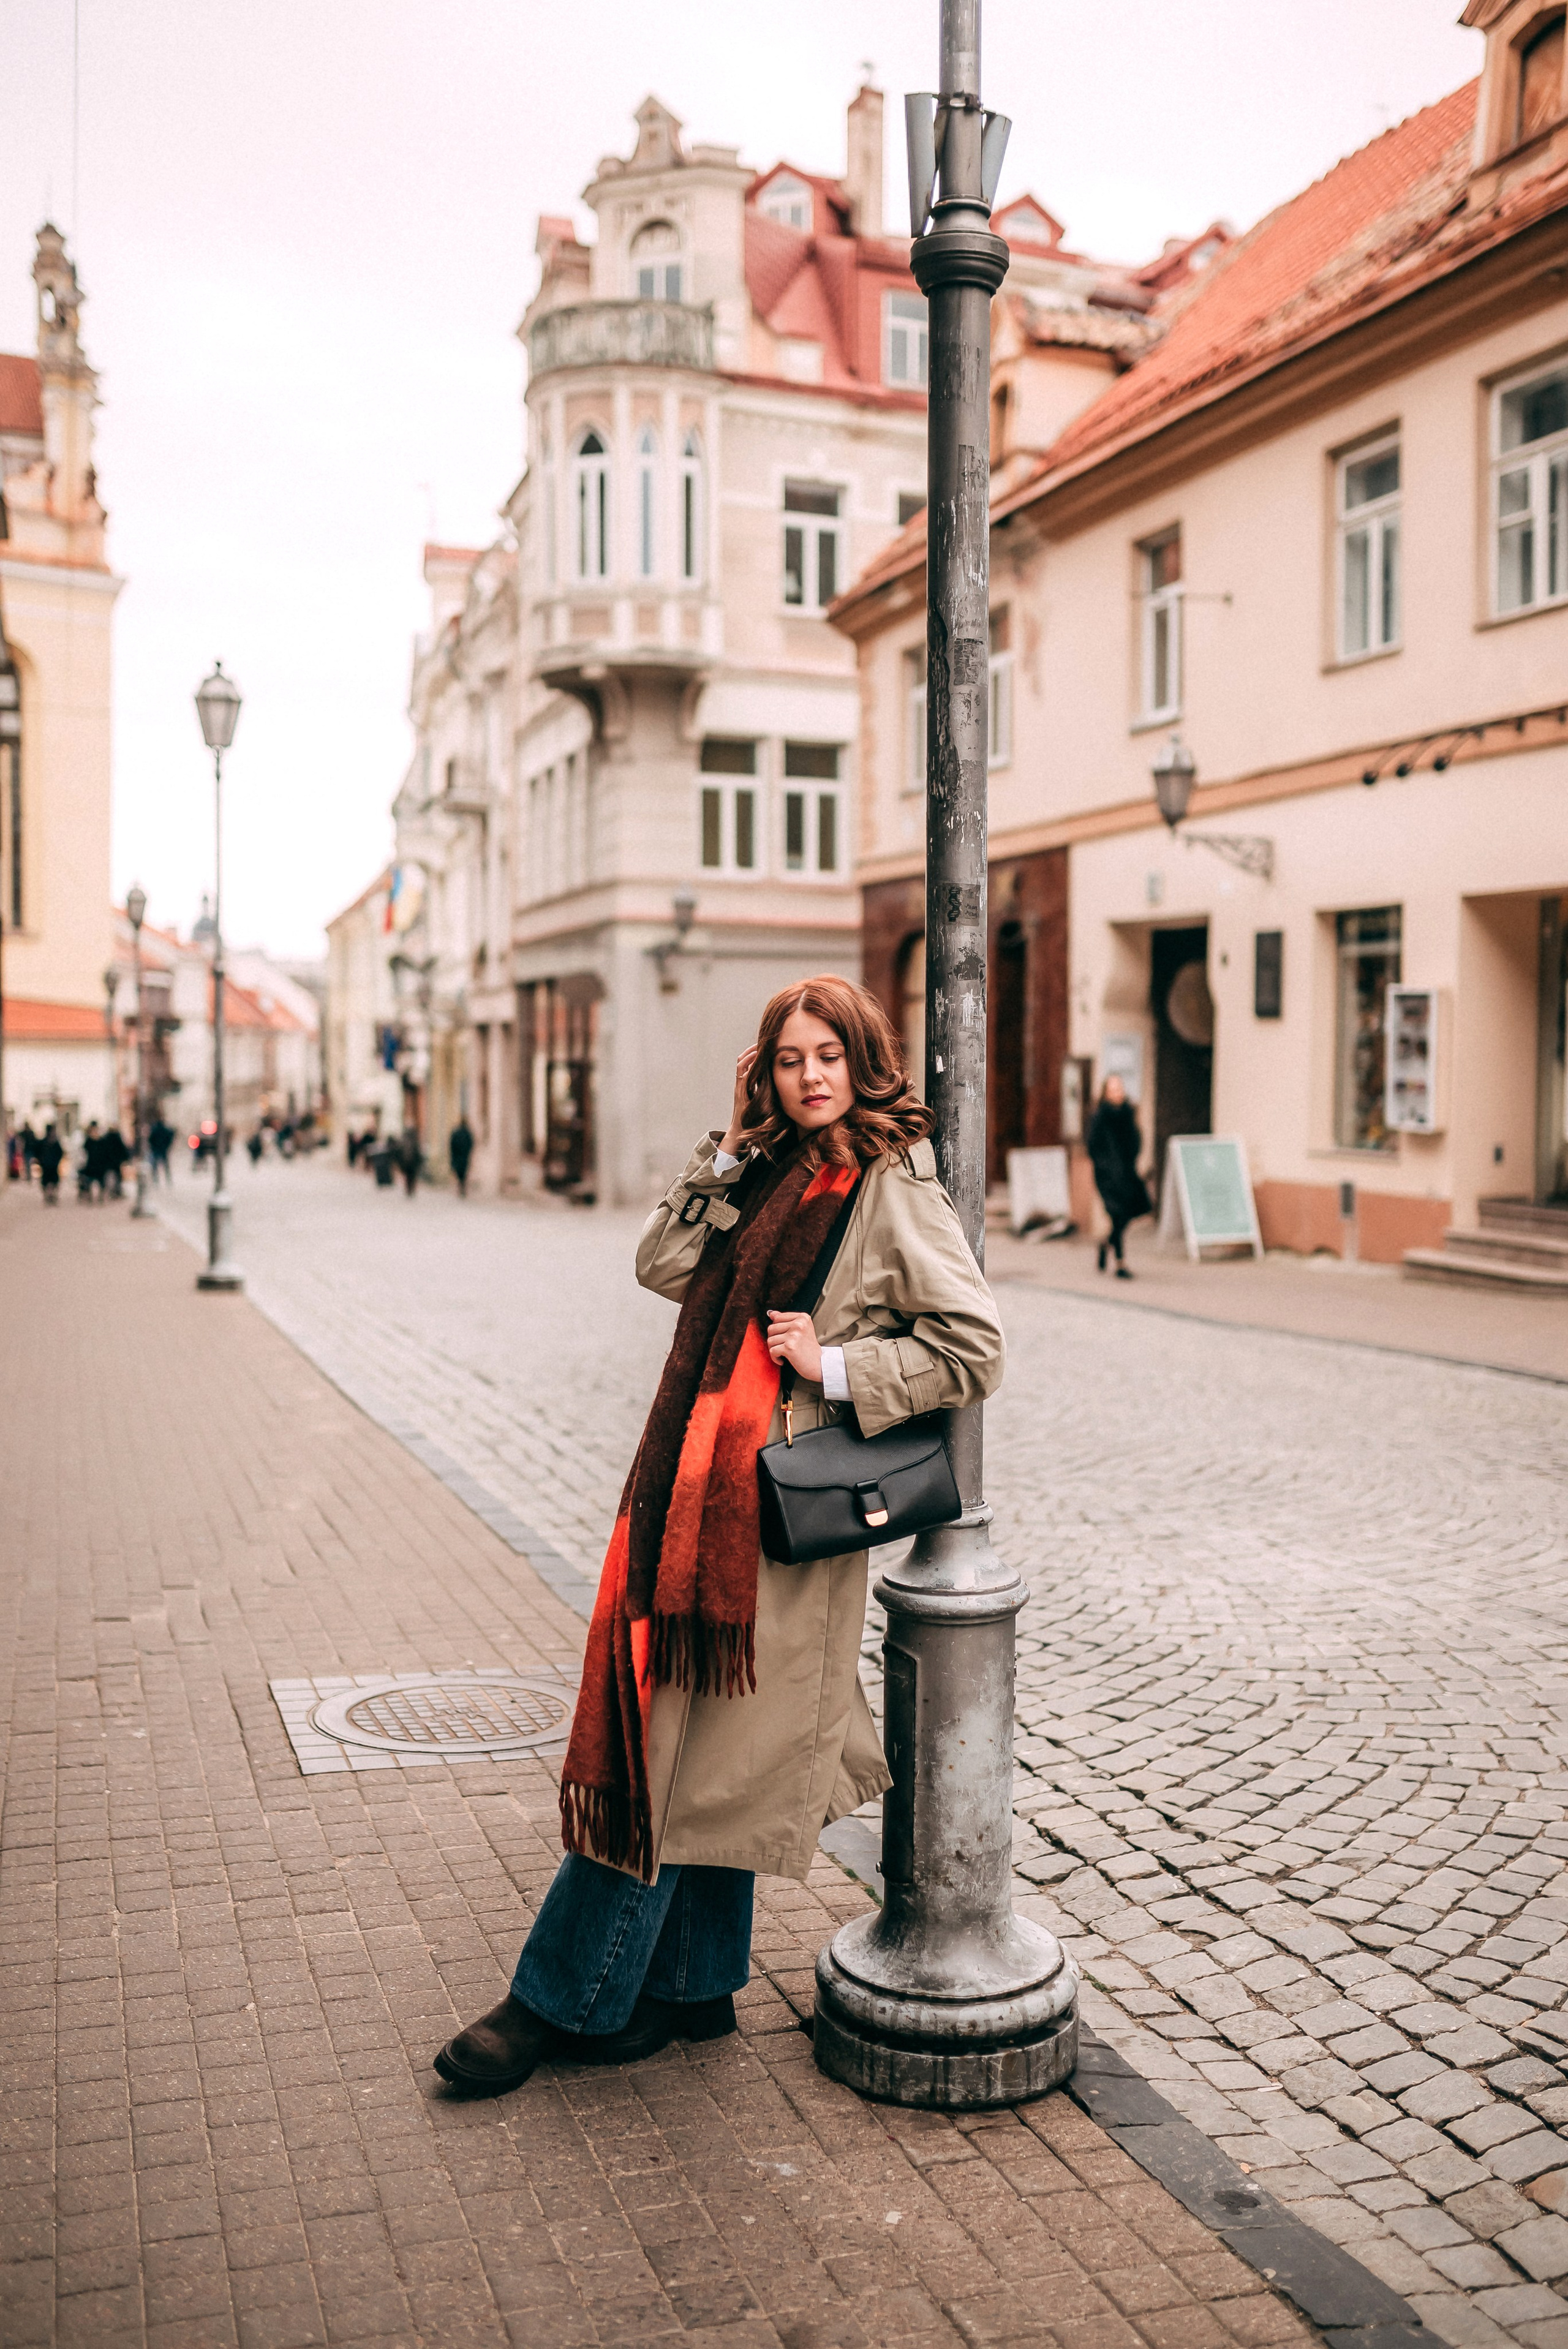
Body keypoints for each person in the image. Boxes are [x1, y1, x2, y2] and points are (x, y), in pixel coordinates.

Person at [433, 973, 1006, 2097]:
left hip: (779, 1522)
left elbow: (975, 1346)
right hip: (701, 1502)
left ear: (864, 1059)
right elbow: (659, 1265)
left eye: (827, 1056)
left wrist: (831, 1363)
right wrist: (726, 1156)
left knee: (670, 1756)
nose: (810, 1078)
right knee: (707, 1756)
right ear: (766, 1071)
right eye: (789, 1060)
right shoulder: (767, 1170)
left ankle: (563, 2000)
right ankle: (693, 1990)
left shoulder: (891, 1185)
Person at [1087, 1073, 1152, 1280]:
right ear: (1106, 1093)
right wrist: (1105, 1165)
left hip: (1127, 1173)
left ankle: (1106, 1244)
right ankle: (1121, 1264)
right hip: (1107, 1177)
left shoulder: (1128, 1114)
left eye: (1120, 1089)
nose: (1117, 1093)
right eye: (1113, 1089)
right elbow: (1093, 1146)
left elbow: (1136, 1140)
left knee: (1129, 1214)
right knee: (1117, 1214)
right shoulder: (1100, 1117)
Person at [34, 1123, 64, 1203]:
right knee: (46, 1181)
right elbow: (38, 1152)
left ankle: (52, 1196)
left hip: (53, 1165)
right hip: (46, 1165)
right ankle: (48, 1196)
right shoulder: (44, 1143)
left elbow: (60, 1153)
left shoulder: (55, 1143)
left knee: (54, 1181)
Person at [448, 1117, 474, 1197]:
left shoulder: (456, 1133)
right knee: (464, 1173)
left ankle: (461, 1187)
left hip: (458, 1156)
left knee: (459, 1173)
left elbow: (452, 1145)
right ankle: (462, 1187)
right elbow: (471, 1144)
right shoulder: (467, 1133)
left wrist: (453, 1155)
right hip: (464, 1157)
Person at [148, 1117, 175, 1184]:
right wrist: (167, 1146)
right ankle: (168, 1180)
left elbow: (150, 1139)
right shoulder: (164, 1130)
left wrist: (153, 1147)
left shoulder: (155, 1130)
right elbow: (171, 1135)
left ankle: (156, 1180)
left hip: (157, 1150)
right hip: (162, 1149)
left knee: (156, 1166)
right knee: (165, 1166)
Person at [398, 1127, 422, 1197]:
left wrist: (400, 1163)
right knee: (412, 1177)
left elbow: (400, 1152)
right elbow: (418, 1153)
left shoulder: (404, 1141)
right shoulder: (415, 1141)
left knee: (408, 1177)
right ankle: (411, 1189)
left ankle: (409, 1189)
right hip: (413, 1163)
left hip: (407, 1163)